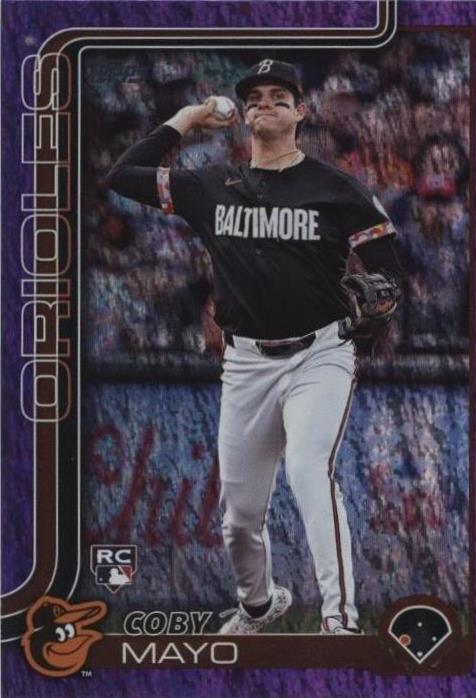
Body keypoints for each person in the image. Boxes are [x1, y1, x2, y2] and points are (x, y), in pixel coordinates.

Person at [106, 59, 402, 635]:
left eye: (279, 96)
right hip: (244, 362)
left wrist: (379, 297)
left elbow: (390, 269)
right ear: (244, 114)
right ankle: (259, 605)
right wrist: (187, 117)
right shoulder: (210, 187)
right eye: (256, 97)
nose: (266, 103)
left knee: (309, 470)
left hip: (320, 354)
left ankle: (339, 620)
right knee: (238, 518)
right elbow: (123, 175)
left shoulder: (337, 188)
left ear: (301, 112)